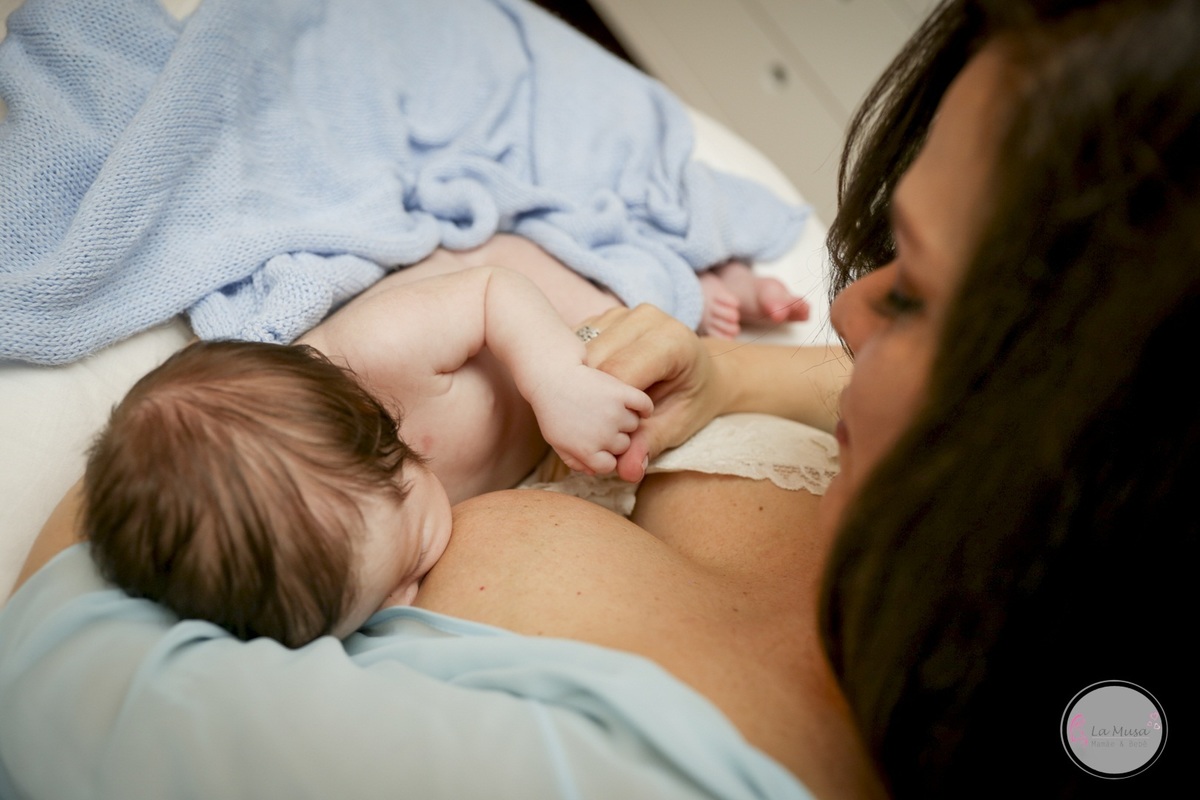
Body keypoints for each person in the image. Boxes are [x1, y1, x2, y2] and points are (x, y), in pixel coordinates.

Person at [0, 0, 1187, 797]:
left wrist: (289, 427)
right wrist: (734, 375)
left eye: (916, 294)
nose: (849, 310)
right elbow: (854, 375)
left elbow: (55, 675)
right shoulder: (938, 483)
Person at [84, 262, 653, 648]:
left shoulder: (381, 349)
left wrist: (555, 379)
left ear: (381, 433)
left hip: (571, 291)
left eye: (411, 562)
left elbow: (495, 288)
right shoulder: (347, 524)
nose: (408, 600)